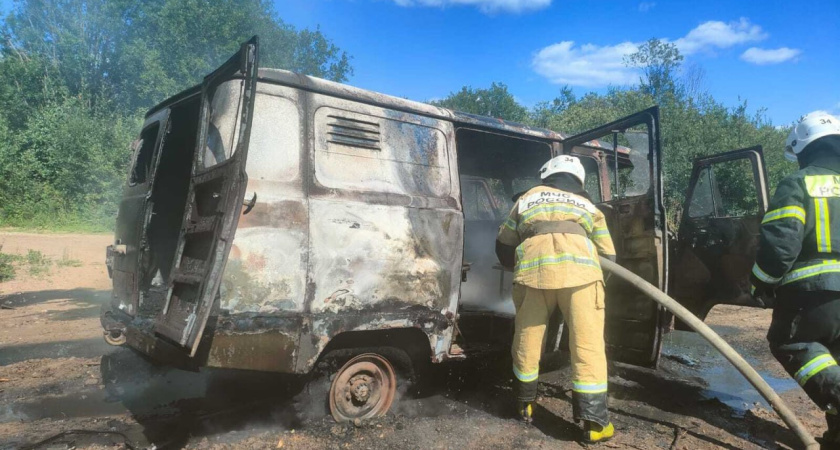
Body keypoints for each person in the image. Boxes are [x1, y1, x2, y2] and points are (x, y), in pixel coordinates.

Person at [495, 154, 617, 444]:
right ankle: (595, 424)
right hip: (583, 279)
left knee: (527, 339)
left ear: (546, 175)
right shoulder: (588, 205)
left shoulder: (526, 199)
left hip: (534, 276)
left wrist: (521, 266)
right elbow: (609, 255)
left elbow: (503, 246)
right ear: (578, 180)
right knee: (587, 345)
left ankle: (524, 405)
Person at [750, 111, 840, 447]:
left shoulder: (799, 183)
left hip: (816, 294)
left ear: (802, 148)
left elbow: (781, 241)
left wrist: (761, 282)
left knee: (791, 343)